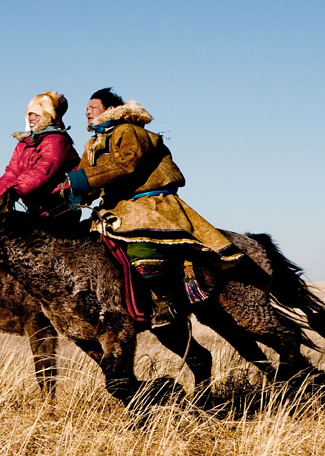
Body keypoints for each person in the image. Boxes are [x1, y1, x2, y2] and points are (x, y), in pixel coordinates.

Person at [66, 88, 242, 327]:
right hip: (115, 208)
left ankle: (164, 301)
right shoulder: (93, 144)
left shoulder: (129, 131)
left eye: (92, 107)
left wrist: (79, 180)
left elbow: (127, 165)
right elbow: (88, 179)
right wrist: (71, 189)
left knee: (142, 250)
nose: (87, 111)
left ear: (109, 110)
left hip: (148, 203)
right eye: (86, 108)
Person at [0, 91, 80, 220]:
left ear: (48, 117)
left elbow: (40, 172)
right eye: (30, 113)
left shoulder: (57, 141)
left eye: (37, 114)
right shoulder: (24, 144)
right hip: (36, 209)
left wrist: (13, 193)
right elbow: (12, 173)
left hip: (59, 209)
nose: (31, 117)